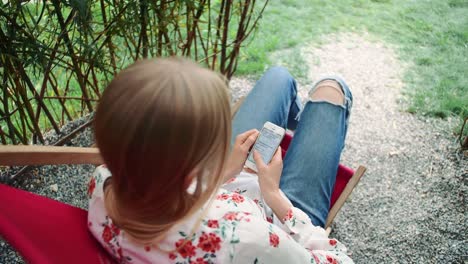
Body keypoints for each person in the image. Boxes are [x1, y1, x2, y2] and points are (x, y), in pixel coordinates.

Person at [88, 57, 353, 263]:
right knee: (332, 89)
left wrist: (221, 173)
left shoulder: (105, 184)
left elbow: (168, 196)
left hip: (222, 191)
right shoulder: (243, 240)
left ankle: (300, 118)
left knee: (278, 77)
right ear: (193, 166)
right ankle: (306, 116)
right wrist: (274, 195)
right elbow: (339, 261)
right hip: (275, 216)